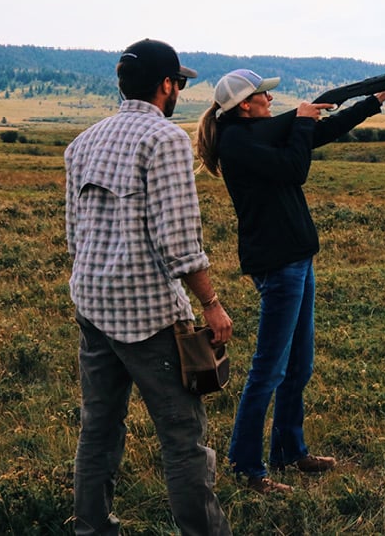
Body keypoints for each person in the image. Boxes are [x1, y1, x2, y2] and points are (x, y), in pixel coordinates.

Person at [194, 67, 385, 494]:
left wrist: (377, 99)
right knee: (269, 368)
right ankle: (245, 465)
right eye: (264, 96)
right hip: (278, 264)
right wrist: (299, 121)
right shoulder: (239, 142)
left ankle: (288, 450)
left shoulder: (257, 132)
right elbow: (296, 167)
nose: (270, 100)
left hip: (295, 257)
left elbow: (322, 132)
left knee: (299, 364)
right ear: (245, 105)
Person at [65, 38, 234, 535]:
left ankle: (92, 527)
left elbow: (76, 235)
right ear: (166, 85)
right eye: (178, 82)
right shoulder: (165, 140)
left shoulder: (83, 142)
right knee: (183, 438)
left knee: (98, 427)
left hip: (92, 304)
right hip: (148, 317)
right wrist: (212, 304)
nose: (179, 90)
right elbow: (179, 240)